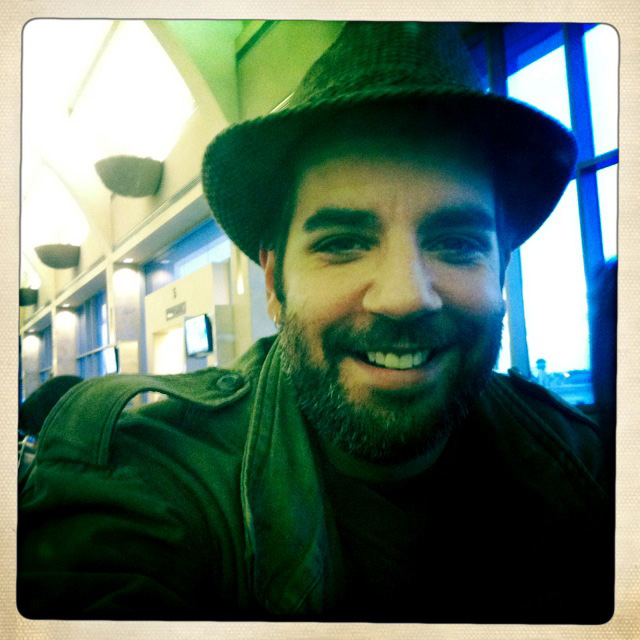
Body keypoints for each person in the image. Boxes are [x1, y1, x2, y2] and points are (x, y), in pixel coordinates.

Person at [18, 22, 613, 623]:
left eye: (456, 243)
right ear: (274, 284)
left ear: (501, 272)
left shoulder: (584, 463)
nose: (405, 297)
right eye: (343, 243)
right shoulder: (151, 478)